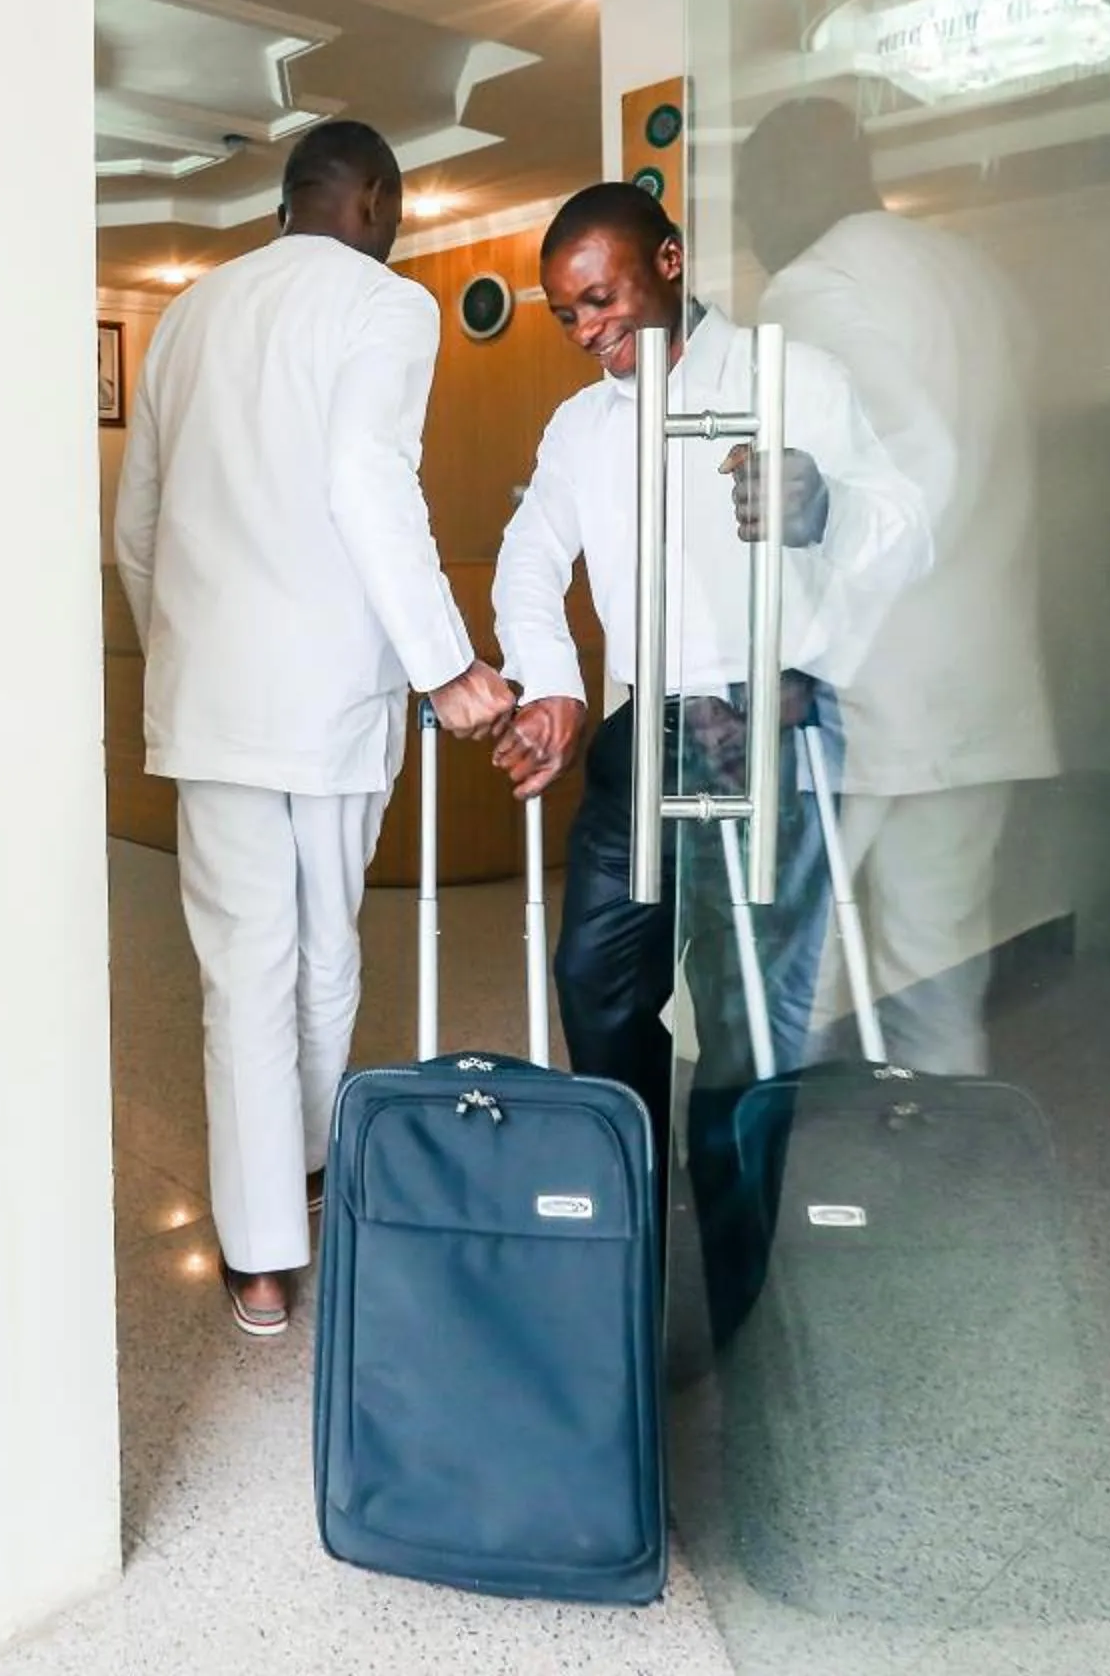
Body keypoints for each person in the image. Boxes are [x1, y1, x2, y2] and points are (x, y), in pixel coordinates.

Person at [487, 183, 927, 1323]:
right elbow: (529, 556)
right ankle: (626, 1253)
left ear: (670, 262)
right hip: (646, 728)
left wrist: (824, 506)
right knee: (595, 982)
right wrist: (553, 683)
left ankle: (739, 1297)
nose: (586, 330)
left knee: (743, 1026)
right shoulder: (581, 426)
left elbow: (909, 527)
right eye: (566, 314)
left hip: (767, 728)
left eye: (601, 300)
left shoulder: (793, 379)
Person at [114, 119, 515, 1339]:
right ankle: (302, 1170)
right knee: (325, 947)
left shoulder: (189, 314)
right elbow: (367, 478)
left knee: (245, 966)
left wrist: (184, 646)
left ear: (286, 199)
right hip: (333, 693)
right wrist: (448, 664)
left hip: (212, 700)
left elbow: (136, 525)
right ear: (378, 200)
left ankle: (258, 1261)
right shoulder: (387, 304)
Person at [739, 98, 1058, 1075]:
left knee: (800, 968)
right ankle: (939, 1152)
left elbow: (898, 476)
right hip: (982, 681)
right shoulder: (981, 281)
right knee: (937, 965)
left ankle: (789, 1161)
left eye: (751, 200)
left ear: (789, 185)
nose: (749, 228)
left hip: (867, 690)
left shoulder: (813, 287)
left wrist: (798, 656)